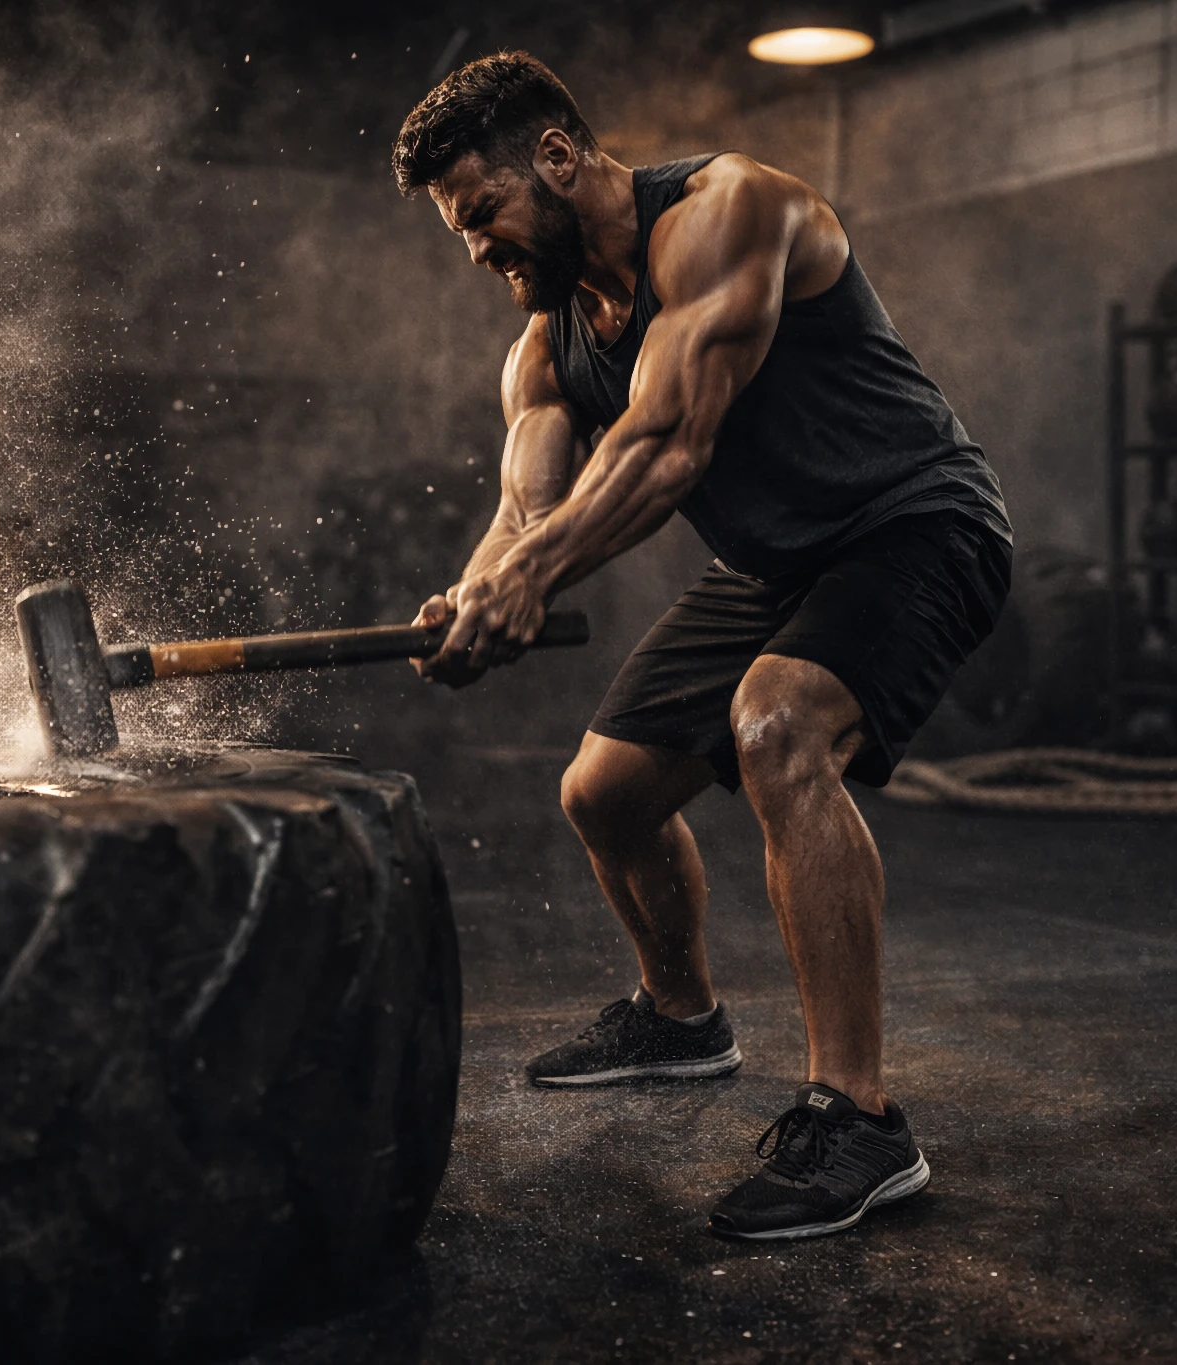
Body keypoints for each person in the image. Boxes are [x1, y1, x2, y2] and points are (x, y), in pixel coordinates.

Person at [394, 52, 1010, 1240]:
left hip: (914, 524)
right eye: (458, 231)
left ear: (558, 157)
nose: (476, 249)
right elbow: (525, 508)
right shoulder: (544, 345)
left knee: (776, 728)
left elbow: (668, 445)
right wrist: (471, 595)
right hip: (775, 564)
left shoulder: (730, 209)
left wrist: (524, 575)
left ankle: (861, 1122)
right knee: (602, 793)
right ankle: (681, 1022)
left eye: (483, 212)